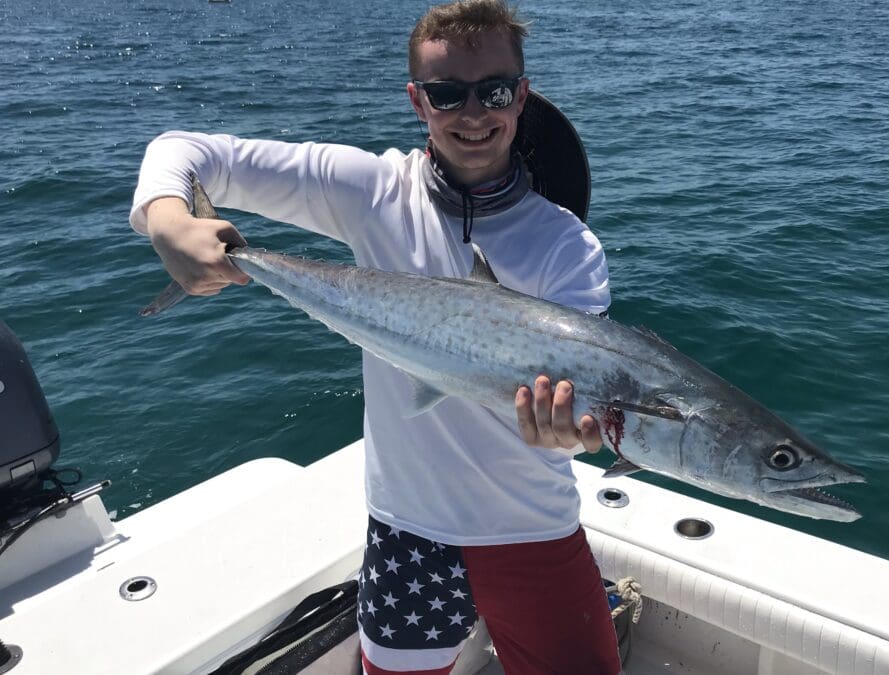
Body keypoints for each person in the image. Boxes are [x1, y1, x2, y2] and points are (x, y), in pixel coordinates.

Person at [129, 1, 622, 673]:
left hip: (533, 527)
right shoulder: (370, 190)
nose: (474, 114)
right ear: (418, 102)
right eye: (448, 95)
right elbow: (182, 151)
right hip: (406, 531)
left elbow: (579, 394)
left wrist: (569, 430)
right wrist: (167, 220)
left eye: (495, 91)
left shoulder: (568, 245)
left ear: (523, 96)